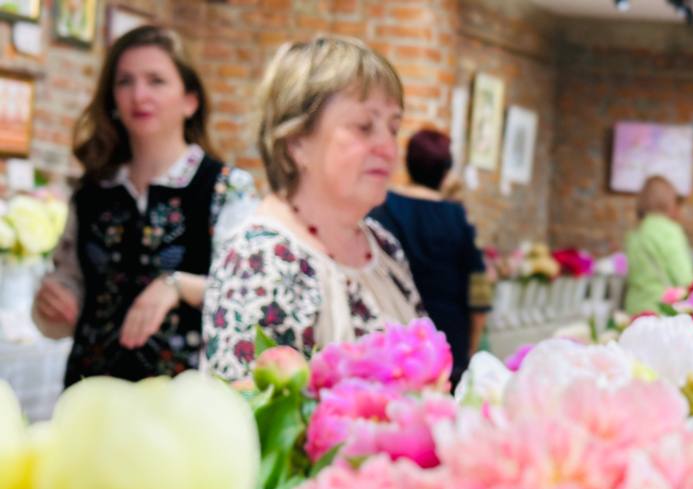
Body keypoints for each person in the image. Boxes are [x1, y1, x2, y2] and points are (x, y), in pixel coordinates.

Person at [33, 26, 256, 386]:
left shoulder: (226, 188)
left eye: (156, 81)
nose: (139, 95)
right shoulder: (92, 191)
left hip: (185, 399)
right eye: (125, 81)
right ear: (112, 99)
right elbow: (69, 284)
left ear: (190, 101)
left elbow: (247, 294)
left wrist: (176, 286)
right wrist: (53, 301)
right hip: (91, 393)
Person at [202, 36, 422, 380]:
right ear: (297, 143)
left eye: (393, 129)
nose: (388, 148)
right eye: (364, 127)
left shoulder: (382, 246)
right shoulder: (259, 259)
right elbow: (242, 407)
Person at [370, 128, 490, 385]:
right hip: (449, 338)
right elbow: (478, 285)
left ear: (408, 162)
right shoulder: (457, 217)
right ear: (446, 170)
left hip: (398, 332)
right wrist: (473, 342)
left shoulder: (384, 207)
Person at [623, 175, 693, 316]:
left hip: (633, 307)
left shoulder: (635, 232)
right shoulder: (670, 230)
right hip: (661, 309)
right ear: (668, 201)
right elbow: (684, 277)